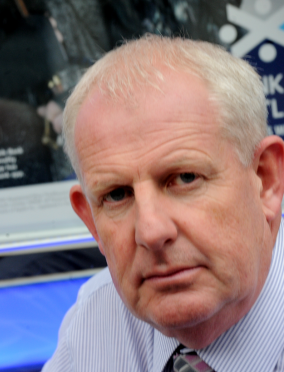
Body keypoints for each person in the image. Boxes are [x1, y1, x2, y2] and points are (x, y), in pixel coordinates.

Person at [43, 34, 284, 372]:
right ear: (91, 221)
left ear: (266, 180)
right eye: (116, 195)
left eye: (185, 178)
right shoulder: (95, 324)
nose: (151, 230)